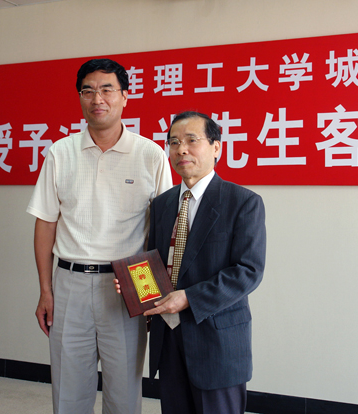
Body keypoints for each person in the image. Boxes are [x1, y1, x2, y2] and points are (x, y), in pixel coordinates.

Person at [26, 58, 172, 414]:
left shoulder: (150, 154)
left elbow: (161, 229)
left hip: (128, 283)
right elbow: (45, 224)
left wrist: (152, 295)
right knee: (68, 390)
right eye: (88, 91)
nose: (97, 99)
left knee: (124, 392)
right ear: (80, 97)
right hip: (69, 282)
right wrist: (46, 290)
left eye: (107, 89)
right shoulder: (60, 152)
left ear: (125, 96)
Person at [131, 111, 266, 413]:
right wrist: (135, 287)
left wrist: (189, 298)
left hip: (216, 340)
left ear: (216, 147)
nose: (181, 149)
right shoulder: (163, 204)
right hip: (168, 337)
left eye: (192, 140)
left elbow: (248, 271)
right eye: (174, 142)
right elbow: (155, 262)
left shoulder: (243, 202)